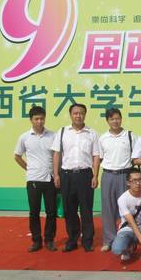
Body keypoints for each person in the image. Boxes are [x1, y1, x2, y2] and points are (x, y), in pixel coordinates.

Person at [52, 103, 100, 253]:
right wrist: (56, 174)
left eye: (81, 113)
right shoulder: (62, 132)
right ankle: (72, 240)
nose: (78, 116)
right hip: (66, 175)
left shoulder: (92, 133)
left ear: (85, 115)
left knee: (86, 209)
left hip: (85, 175)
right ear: (71, 115)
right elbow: (56, 154)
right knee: (69, 209)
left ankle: (87, 241)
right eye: (75, 113)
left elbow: (96, 155)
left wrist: (95, 175)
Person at [14, 106, 58, 252]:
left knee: (51, 212)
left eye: (42, 118)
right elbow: (17, 156)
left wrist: (57, 174)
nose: (39, 121)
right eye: (36, 119)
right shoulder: (24, 137)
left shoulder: (52, 136)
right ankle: (36, 241)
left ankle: (49, 240)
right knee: (34, 212)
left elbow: (57, 156)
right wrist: (28, 168)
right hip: (33, 180)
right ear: (31, 120)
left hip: (50, 179)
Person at [98, 108, 137, 252]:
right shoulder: (103, 138)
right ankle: (109, 240)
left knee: (127, 208)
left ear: (121, 119)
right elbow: (99, 158)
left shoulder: (130, 136)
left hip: (125, 175)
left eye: (117, 118)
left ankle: (128, 239)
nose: (115, 121)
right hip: (108, 175)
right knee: (108, 208)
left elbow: (136, 156)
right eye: (112, 119)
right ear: (107, 121)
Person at [112, 169, 141, 264]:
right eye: (134, 180)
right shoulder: (122, 199)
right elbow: (131, 222)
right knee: (117, 249)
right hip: (127, 227)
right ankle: (129, 247)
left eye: (140, 180)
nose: (138, 183)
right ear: (128, 183)